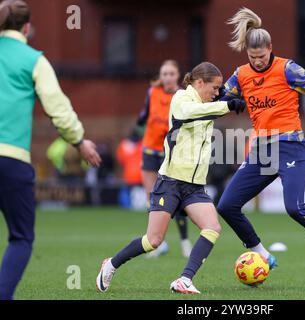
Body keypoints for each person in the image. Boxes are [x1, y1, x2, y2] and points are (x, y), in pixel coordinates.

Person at [217, 8, 305, 288]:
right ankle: (262, 255)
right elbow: (220, 99)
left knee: (294, 207)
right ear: (246, 52)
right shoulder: (240, 75)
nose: (257, 62)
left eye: (262, 56)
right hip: (261, 151)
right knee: (227, 205)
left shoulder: (287, 69)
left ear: (270, 48)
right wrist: (226, 102)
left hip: (290, 146)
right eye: (252, 57)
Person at [96, 62, 246, 294]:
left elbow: (215, 103)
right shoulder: (181, 99)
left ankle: (184, 280)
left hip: (194, 186)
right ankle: (112, 264)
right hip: (171, 182)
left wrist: (224, 99)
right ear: (199, 83)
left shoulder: (209, 103)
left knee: (212, 227)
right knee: (153, 241)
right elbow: (189, 114)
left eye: (218, 89)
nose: (217, 93)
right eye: (213, 88)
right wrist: (225, 106)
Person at [0, 0, 101, 300]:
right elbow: (58, 109)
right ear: (27, 28)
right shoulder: (33, 60)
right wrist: (79, 141)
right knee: (21, 238)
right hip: (11, 160)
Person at [136, 60, 192, 258]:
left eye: (171, 73)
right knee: (152, 198)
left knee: (175, 199)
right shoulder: (152, 93)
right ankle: (158, 244)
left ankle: (185, 241)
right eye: (164, 73)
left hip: (171, 152)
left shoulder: (183, 96)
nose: (167, 77)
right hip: (150, 150)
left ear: (177, 76)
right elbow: (143, 115)